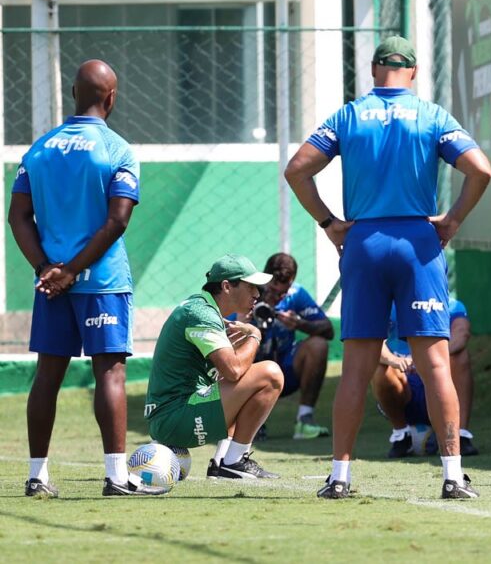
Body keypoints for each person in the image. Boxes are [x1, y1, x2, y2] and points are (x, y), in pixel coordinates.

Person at [285, 35, 491, 500]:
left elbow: (297, 169)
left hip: (364, 241)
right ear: (413, 73)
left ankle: (339, 477)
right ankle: (453, 475)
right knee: (437, 363)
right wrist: (454, 219)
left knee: (357, 368)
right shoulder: (432, 115)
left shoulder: (350, 114)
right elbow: (481, 170)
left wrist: (329, 223)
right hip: (418, 243)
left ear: (375, 70)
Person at [8, 60, 144, 497]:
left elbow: (17, 216)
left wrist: (46, 269)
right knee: (110, 373)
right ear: (111, 97)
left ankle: (37, 475)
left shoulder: (40, 149)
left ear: (72, 93)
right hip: (101, 281)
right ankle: (116, 476)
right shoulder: (118, 150)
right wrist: (71, 270)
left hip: (51, 285)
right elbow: (117, 220)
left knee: (48, 374)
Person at [144, 255, 283, 480]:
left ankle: (223, 461)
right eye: (250, 287)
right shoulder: (201, 314)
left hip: (171, 417)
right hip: (174, 418)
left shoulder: (204, 309)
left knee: (246, 378)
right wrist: (255, 335)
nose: (257, 294)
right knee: (270, 373)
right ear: (227, 286)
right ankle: (234, 461)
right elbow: (234, 371)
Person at [247, 253, 335, 440]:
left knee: (318, 345)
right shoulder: (249, 293)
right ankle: (245, 422)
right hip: (251, 373)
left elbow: (328, 330)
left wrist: (299, 323)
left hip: (286, 370)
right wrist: (246, 320)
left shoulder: (296, 294)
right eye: (272, 291)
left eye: (282, 293)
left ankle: (304, 419)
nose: (277, 297)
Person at [374, 300, 476, 457]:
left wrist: (431, 360)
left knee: (460, 356)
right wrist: (394, 360)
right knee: (380, 367)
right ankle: (402, 435)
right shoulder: (385, 303)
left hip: (439, 381)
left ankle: (460, 435)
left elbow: (462, 334)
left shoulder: (449, 303)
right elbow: (373, 343)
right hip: (404, 384)